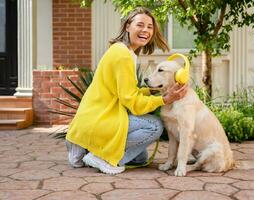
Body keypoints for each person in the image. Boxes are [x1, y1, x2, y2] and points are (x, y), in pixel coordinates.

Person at [65, 7, 188, 174]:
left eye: (150, 26)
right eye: (140, 25)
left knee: (140, 158)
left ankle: (83, 148)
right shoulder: (123, 55)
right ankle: (103, 157)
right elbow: (132, 103)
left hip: (89, 119)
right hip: (102, 118)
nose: (145, 30)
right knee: (154, 126)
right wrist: (164, 100)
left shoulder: (120, 50)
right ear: (127, 26)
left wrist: (151, 92)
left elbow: (126, 92)